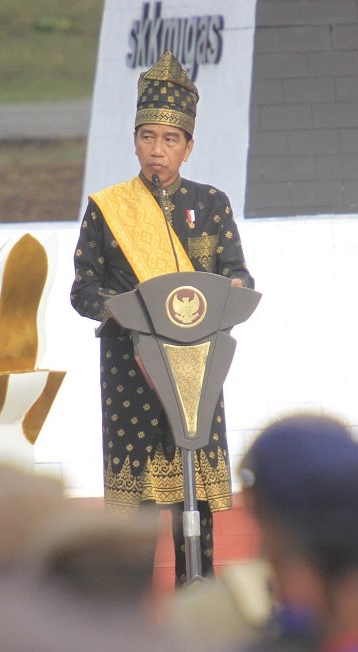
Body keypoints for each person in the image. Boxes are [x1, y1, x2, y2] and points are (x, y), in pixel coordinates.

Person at [69, 50, 255, 585]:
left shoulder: (212, 204)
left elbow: (238, 274)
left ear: (189, 147)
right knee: (136, 517)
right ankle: (127, 616)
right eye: (148, 137)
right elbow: (82, 289)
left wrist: (234, 290)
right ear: (135, 142)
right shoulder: (108, 209)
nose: (157, 151)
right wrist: (122, 309)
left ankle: (198, 603)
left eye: (169, 140)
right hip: (132, 371)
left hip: (197, 370)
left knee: (193, 510)